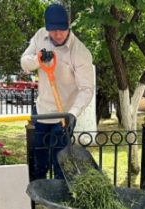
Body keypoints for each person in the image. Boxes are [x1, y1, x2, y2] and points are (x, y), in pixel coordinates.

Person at [21, 3, 95, 179]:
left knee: (61, 164)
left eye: (61, 29)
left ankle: (60, 199)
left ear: (68, 24)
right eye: (53, 30)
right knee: (37, 161)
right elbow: (25, 63)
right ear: (47, 28)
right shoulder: (40, 36)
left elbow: (86, 89)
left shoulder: (80, 52)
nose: (58, 34)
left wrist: (72, 114)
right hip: (41, 113)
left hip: (64, 116)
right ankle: (37, 196)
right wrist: (38, 60)